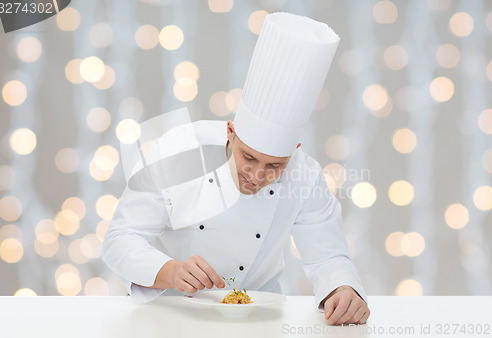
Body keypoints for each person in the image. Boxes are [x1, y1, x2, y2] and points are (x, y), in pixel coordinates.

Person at [102, 12, 370, 326]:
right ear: (231, 131)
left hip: (262, 318)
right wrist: (170, 271)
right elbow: (120, 239)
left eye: (274, 166)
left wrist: (343, 289)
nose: (257, 176)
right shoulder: (180, 149)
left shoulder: (305, 175)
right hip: (173, 314)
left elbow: (327, 256)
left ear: (294, 152)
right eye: (249, 158)